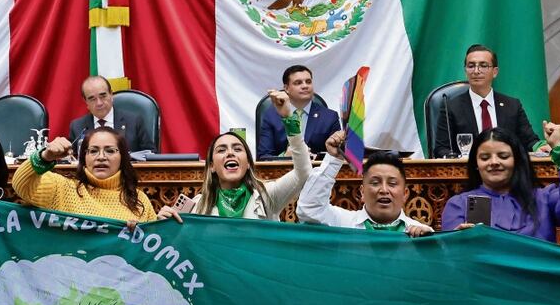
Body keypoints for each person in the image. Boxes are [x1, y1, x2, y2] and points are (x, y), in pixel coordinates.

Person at [158, 90, 309, 222]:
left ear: (248, 163)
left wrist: (288, 118)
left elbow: (303, 173)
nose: (230, 153)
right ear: (212, 166)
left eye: (237, 149)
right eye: (221, 150)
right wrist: (163, 224)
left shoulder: (267, 195)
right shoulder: (197, 205)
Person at [441, 123, 560, 241]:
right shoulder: (459, 204)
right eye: (485, 158)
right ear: (476, 164)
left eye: (503, 156)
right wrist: (458, 241)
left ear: (517, 161)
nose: (494, 162)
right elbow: (452, 259)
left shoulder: (543, 198)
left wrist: (559, 149)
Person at [296, 130, 433, 236]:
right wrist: (334, 158)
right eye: (375, 183)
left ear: (405, 193)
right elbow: (309, 209)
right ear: (362, 192)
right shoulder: (344, 224)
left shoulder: (422, 233)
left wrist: (429, 245)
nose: (384, 190)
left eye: (392, 184)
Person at [12, 127, 156, 223]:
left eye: (110, 151)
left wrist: (164, 224)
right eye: (93, 151)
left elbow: (153, 252)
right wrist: (45, 156)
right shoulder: (62, 188)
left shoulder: (140, 200)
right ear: (84, 158)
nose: (101, 157)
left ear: (122, 157)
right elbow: (20, 185)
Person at [433, 44, 546, 158]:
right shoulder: (451, 107)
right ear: (465, 71)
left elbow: (530, 141)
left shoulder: (512, 106)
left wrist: (541, 146)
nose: (476, 71)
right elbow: (441, 149)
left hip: (507, 170)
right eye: (471, 66)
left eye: (483, 65)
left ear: (495, 71)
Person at [257, 64, 341, 159]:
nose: (305, 86)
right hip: (283, 172)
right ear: (286, 88)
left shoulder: (330, 117)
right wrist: (284, 157)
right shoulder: (271, 116)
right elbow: (263, 157)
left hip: (317, 171)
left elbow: (338, 155)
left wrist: (316, 158)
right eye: (298, 83)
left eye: (308, 82)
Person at [68, 76, 154, 153]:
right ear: (86, 102)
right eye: (92, 99)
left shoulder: (134, 121)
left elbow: (151, 153)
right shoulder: (77, 127)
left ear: (111, 95)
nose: (99, 103)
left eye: (103, 96)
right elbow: (72, 159)